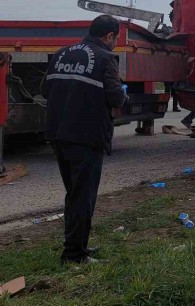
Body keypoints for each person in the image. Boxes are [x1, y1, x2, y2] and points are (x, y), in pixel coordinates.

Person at [43, 15, 127, 264]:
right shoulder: (105, 58)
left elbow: (44, 90)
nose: (115, 43)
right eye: (116, 38)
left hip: (58, 133)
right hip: (86, 136)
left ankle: (77, 246)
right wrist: (124, 95)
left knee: (74, 193)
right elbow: (116, 98)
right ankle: (74, 255)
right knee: (83, 196)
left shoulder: (61, 54)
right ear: (109, 36)